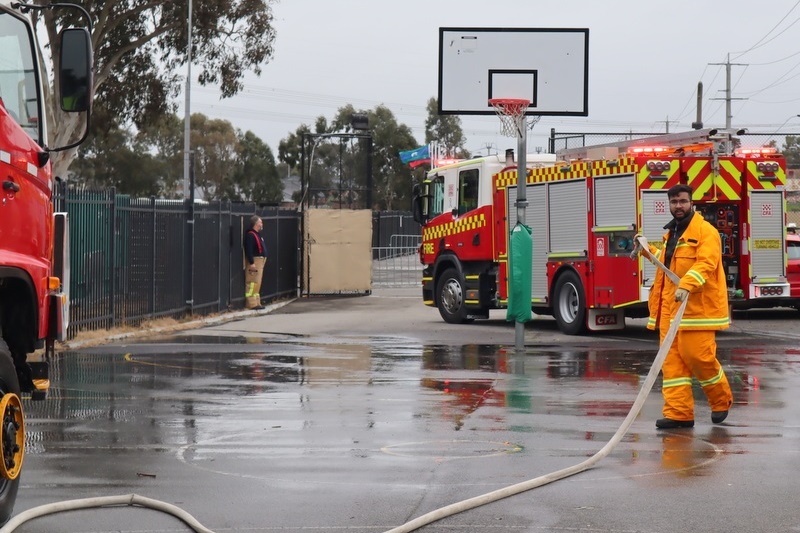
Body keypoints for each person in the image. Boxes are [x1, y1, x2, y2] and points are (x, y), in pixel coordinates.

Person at [634, 184, 733, 429]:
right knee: (672, 363)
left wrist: (686, 285)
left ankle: (721, 400)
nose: (678, 206)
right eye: (674, 202)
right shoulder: (672, 233)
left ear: (692, 204)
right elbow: (669, 264)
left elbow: (706, 264)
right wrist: (648, 251)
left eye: (683, 201)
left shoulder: (705, 231)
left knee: (697, 356)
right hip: (671, 306)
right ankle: (678, 413)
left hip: (697, 309)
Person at [243, 215, 267, 310]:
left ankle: (257, 302)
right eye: (260, 222)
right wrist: (252, 262)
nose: (262, 224)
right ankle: (251, 303)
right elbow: (248, 249)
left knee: (257, 282)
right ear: (256, 224)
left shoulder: (257, 234)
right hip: (255, 260)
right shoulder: (250, 235)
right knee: (252, 282)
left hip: (260, 260)